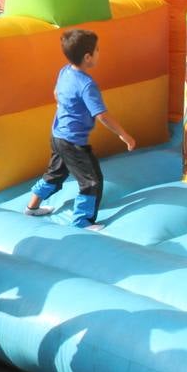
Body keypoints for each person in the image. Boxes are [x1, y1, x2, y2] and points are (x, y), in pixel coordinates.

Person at [25, 29, 136, 230]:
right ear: (88, 57)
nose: (99, 53)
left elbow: (56, 93)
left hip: (57, 135)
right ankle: (82, 221)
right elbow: (101, 115)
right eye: (97, 50)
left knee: (55, 173)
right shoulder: (87, 85)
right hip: (73, 143)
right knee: (91, 180)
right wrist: (124, 135)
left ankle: (32, 207)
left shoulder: (65, 71)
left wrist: (63, 107)